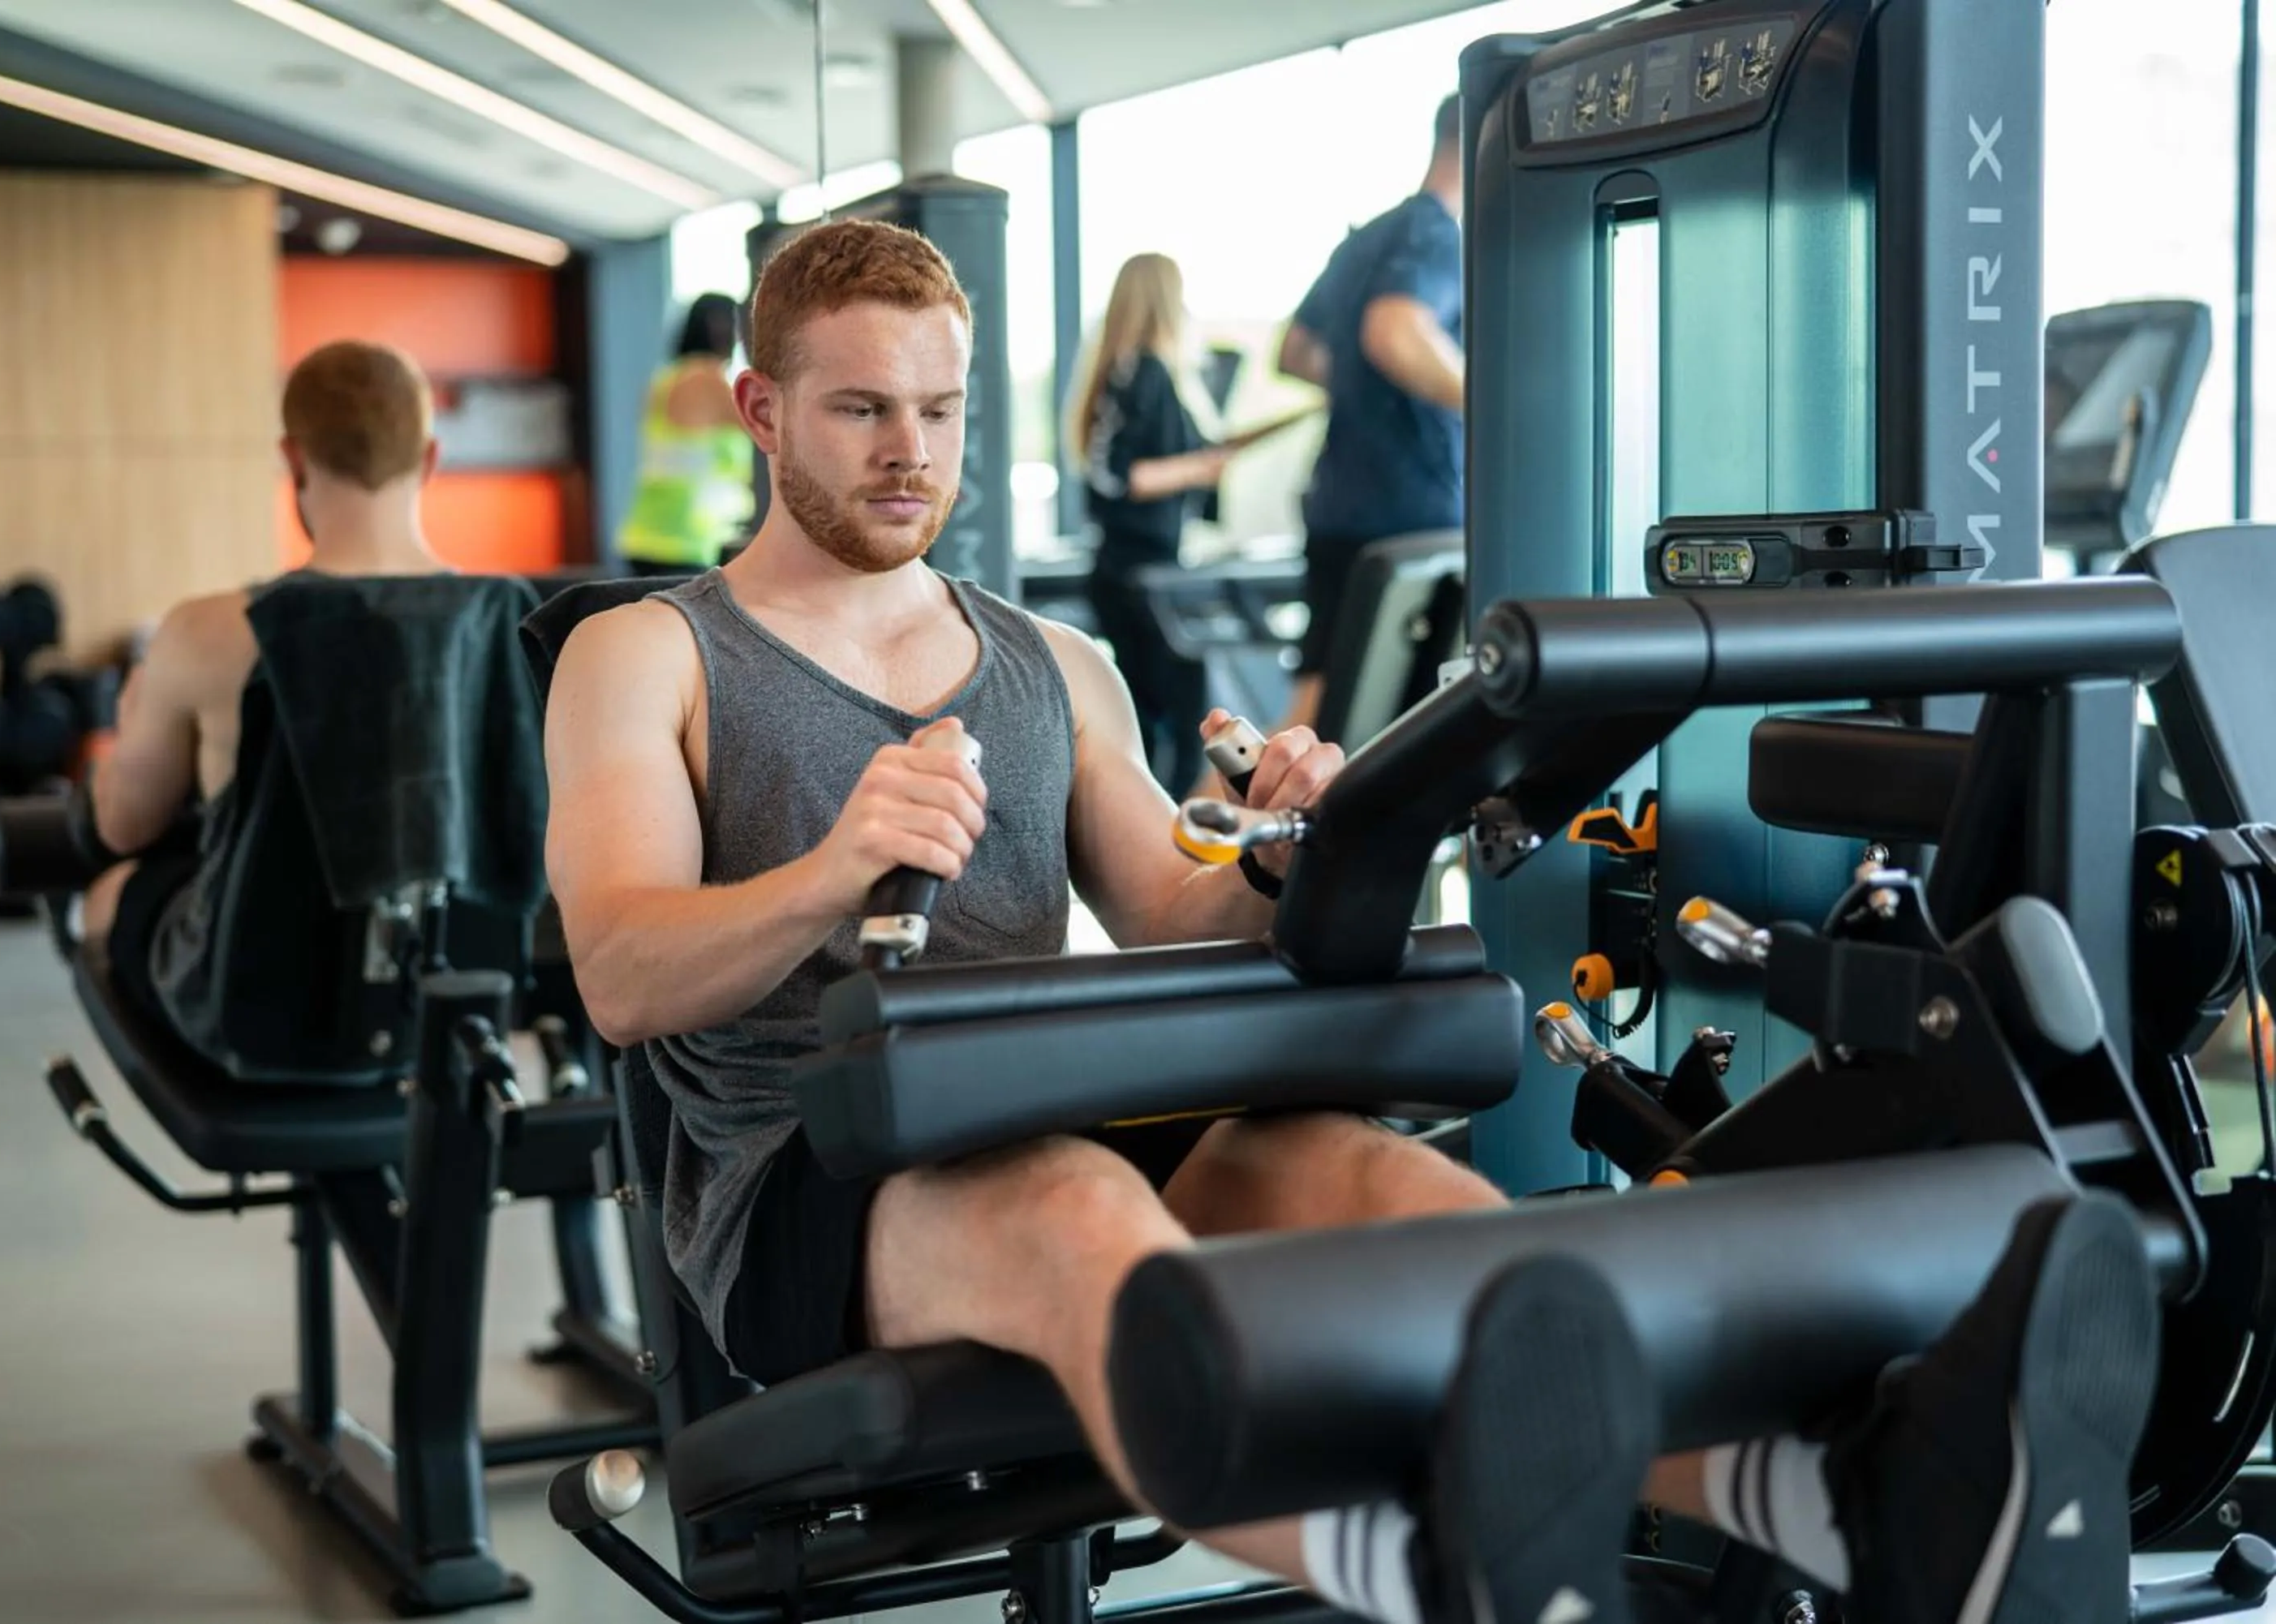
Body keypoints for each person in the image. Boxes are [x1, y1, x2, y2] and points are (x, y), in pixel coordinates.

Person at [543, 218, 2161, 1624]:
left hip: (1044, 1091)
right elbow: (619, 971)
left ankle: (1852, 1496)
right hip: (809, 1187)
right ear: (762, 409)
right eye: (861, 410)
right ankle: (1437, 1568)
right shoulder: (651, 654)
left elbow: (1175, 911)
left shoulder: (1054, 663)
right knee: (1070, 1205)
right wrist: (835, 863)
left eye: (943, 410)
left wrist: (1276, 851)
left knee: (1389, 1186)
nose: (911, 450)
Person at [80, 340, 448, 959]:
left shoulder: (208, 633)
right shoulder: (510, 622)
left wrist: (126, 724)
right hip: (456, 969)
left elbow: (123, 826)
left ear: (294, 459)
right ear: (430, 459)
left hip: (264, 984)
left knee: (108, 896)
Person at [1277, 92, 1469, 733]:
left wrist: (1366, 392)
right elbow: (1393, 332)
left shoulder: (1369, 239)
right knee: (1377, 727)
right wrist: (1497, 407)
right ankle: (1200, 834)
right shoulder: (1437, 231)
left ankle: (1196, 831)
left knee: (1316, 708)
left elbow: (1298, 353)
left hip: (1342, 509)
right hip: (1409, 516)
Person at [1069, 252, 1235, 797]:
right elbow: (1120, 475)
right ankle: (1176, 843)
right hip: (1140, 574)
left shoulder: (1121, 372)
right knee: (1187, 721)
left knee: (1150, 717)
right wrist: (1200, 467)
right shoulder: (1145, 372)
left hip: (1128, 571)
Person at [617, 291, 757, 574]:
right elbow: (769, 425)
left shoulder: (667, 378)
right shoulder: (705, 380)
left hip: (650, 534)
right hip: (683, 541)